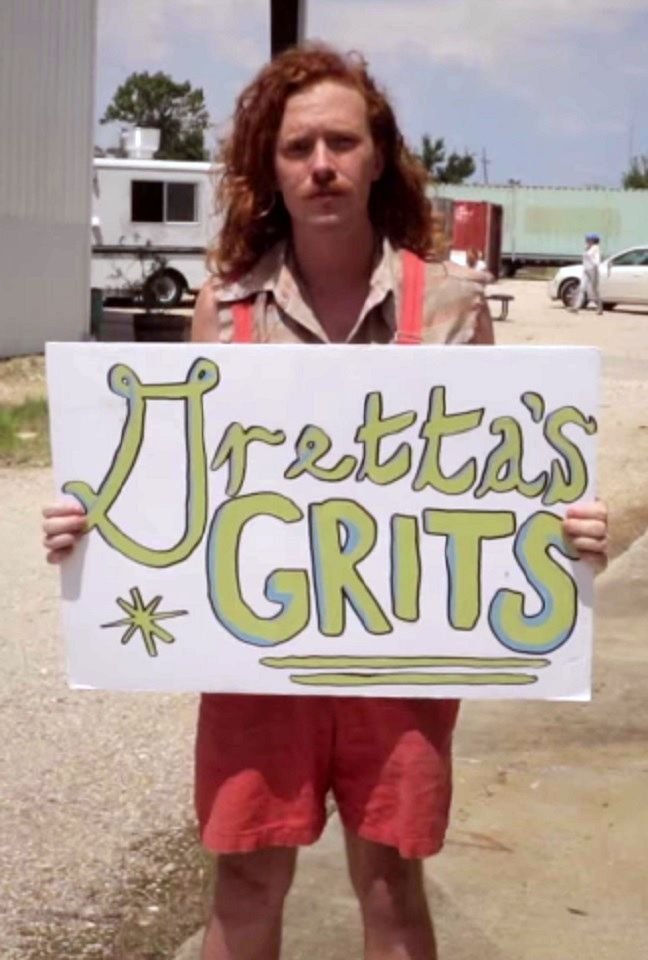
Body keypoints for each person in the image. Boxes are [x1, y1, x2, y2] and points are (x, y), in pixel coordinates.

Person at [42, 44, 609, 960]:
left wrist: (571, 534)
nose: (321, 165)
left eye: (341, 142)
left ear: (378, 154)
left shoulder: (456, 306)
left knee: (390, 882)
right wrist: (91, 525)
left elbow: (510, 485)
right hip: (257, 651)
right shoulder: (225, 310)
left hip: (403, 653)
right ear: (269, 164)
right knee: (246, 877)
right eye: (298, 146)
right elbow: (174, 481)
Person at [570, 233, 603, 314]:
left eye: (588, 239)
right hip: (586, 270)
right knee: (582, 288)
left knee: (594, 289)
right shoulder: (588, 248)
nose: (586, 241)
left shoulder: (596, 248)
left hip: (593, 270)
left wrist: (595, 266)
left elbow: (596, 260)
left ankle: (600, 308)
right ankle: (576, 307)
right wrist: (587, 249)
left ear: (593, 240)